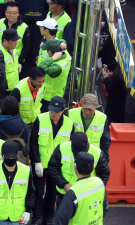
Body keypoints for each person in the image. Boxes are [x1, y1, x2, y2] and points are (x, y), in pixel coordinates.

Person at [30, 96, 73, 224]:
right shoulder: (41, 119)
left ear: (63, 110)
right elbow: (33, 142)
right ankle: (37, 216)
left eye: (56, 111)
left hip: (57, 166)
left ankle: (48, 217)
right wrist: (36, 161)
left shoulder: (69, 124)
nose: (53, 113)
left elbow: (69, 146)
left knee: (52, 192)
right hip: (41, 163)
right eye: (51, 110)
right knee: (39, 191)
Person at [0, 141, 34, 225]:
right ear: (1, 155)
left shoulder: (26, 171)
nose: (11, 160)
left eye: (13, 158)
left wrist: (28, 211)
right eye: (8, 158)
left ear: (18, 154)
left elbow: (30, 193)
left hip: (17, 218)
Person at [48, 132, 109, 204]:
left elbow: (104, 175)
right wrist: (63, 184)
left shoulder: (97, 153)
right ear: (70, 142)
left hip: (87, 195)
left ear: (88, 143)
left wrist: (93, 190)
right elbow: (53, 167)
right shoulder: (62, 148)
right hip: (65, 194)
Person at [53, 152, 107, 225]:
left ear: (75, 166)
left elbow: (60, 220)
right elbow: (105, 208)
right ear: (93, 168)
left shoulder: (73, 191)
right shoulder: (99, 182)